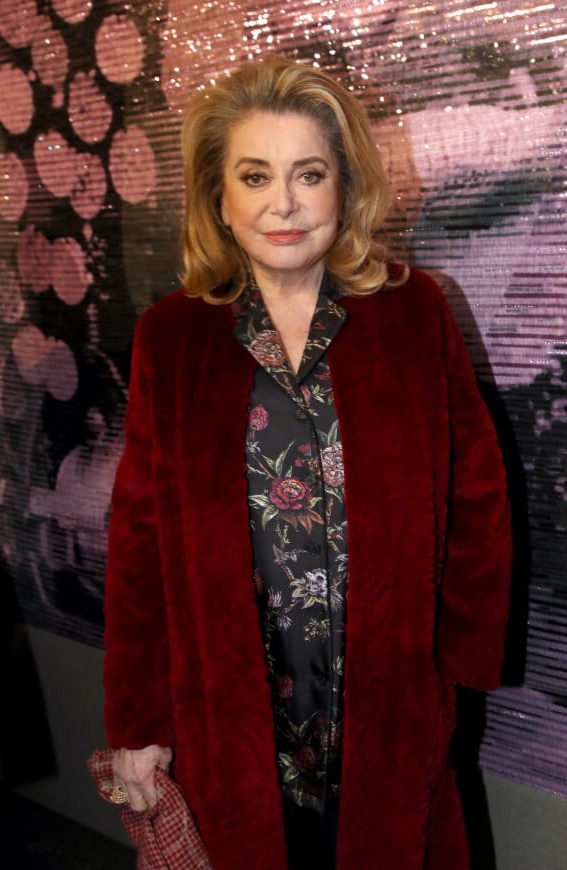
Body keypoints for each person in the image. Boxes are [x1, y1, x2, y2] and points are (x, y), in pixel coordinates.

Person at [103, 55, 512, 870]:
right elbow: (139, 541)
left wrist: (460, 668)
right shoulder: (172, 339)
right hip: (231, 720)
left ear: (344, 188)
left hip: (387, 711)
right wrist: (139, 726)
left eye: (308, 174)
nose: (282, 203)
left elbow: (479, 495)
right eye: (254, 176)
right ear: (218, 198)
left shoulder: (413, 313)